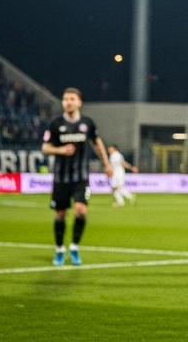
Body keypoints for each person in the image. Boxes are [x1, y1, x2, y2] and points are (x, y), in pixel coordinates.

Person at [42, 87, 112, 266]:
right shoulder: (56, 124)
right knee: (60, 214)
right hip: (61, 177)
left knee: (81, 210)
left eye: (72, 99)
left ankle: (73, 246)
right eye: (65, 99)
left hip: (81, 178)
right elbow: (45, 148)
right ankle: (59, 250)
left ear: (79, 102)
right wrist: (60, 150)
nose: (68, 102)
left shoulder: (87, 123)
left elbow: (97, 143)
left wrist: (107, 164)